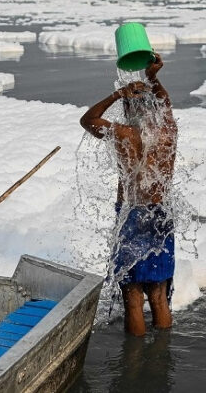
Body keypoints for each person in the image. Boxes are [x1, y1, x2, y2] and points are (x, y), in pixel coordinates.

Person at [80, 56, 178, 336]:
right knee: (158, 294)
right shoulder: (169, 130)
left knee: (133, 298)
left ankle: (133, 366)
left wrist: (116, 94)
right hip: (162, 214)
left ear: (128, 107)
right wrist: (153, 78)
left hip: (132, 215)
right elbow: (166, 103)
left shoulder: (122, 133)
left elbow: (87, 120)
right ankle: (162, 356)